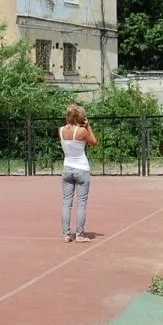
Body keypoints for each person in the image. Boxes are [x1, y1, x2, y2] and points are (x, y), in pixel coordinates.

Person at [59, 104, 98, 243]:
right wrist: (88, 126)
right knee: (81, 203)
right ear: (80, 117)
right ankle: (80, 234)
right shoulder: (82, 131)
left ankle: (66, 234)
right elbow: (94, 143)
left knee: (66, 203)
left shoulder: (61, 130)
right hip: (81, 168)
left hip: (67, 168)